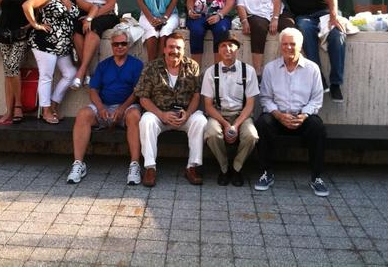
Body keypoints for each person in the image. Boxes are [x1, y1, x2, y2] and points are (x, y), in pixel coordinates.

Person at [255, 28, 329, 197]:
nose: (289, 47)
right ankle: (266, 172)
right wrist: (279, 115)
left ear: (301, 46)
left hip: (302, 117)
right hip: (278, 117)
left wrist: (304, 115)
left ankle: (316, 177)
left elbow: (316, 100)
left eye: (293, 44)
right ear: (280, 46)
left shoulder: (312, 69)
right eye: (285, 44)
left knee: (317, 127)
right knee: (262, 123)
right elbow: (265, 98)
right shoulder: (270, 68)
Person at [66, 30, 144, 185]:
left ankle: (134, 165)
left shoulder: (137, 65)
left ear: (128, 45)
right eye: (116, 44)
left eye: (123, 43)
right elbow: (93, 89)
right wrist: (101, 108)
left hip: (127, 107)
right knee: (83, 114)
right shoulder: (104, 65)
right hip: (104, 105)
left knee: (135, 115)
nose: (120, 47)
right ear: (111, 45)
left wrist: (122, 109)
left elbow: (138, 92)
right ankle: (78, 164)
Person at [272, 0, 346, 102]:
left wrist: (334, 15)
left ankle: (335, 83)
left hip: (325, 12)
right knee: (304, 29)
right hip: (304, 16)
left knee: (337, 35)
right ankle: (319, 77)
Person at [23, 0, 96, 124]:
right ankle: (46, 111)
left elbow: (93, 7)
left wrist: (88, 19)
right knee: (46, 76)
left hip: (63, 46)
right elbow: (27, 5)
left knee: (70, 73)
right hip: (45, 43)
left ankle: (54, 105)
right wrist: (35, 24)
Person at [135, 32, 207, 186]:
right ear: (164, 49)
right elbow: (143, 98)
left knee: (200, 120)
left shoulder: (192, 66)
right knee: (146, 121)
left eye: (178, 48)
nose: (175, 51)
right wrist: (161, 114)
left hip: (184, 116)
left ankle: (192, 167)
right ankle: (150, 168)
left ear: (184, 49)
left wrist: (187, 114)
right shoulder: (151, 67)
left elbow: (196, 95)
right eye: (171, 47)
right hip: (160, 115)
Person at [201, 33, 259, 186]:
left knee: (252, 135)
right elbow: (208, 105)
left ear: (237, 49)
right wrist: (226, 125)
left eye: (231, 45)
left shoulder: (249, 71)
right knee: (212, 133)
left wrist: (236, 125)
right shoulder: (210, 72)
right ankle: (224, 168)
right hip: (218, 114)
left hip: (242, 114)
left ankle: (236, 168)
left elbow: (250, 104)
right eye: (223, 46)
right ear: (218, 50)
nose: (227, 49)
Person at [72, 0, 120, 89]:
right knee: (75, 28)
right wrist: (87, 15)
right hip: (85, 12)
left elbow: (111, 3)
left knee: (93, 27)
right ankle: (86, 73)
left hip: (106, 12)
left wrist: (90, 17)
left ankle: (81, 71)